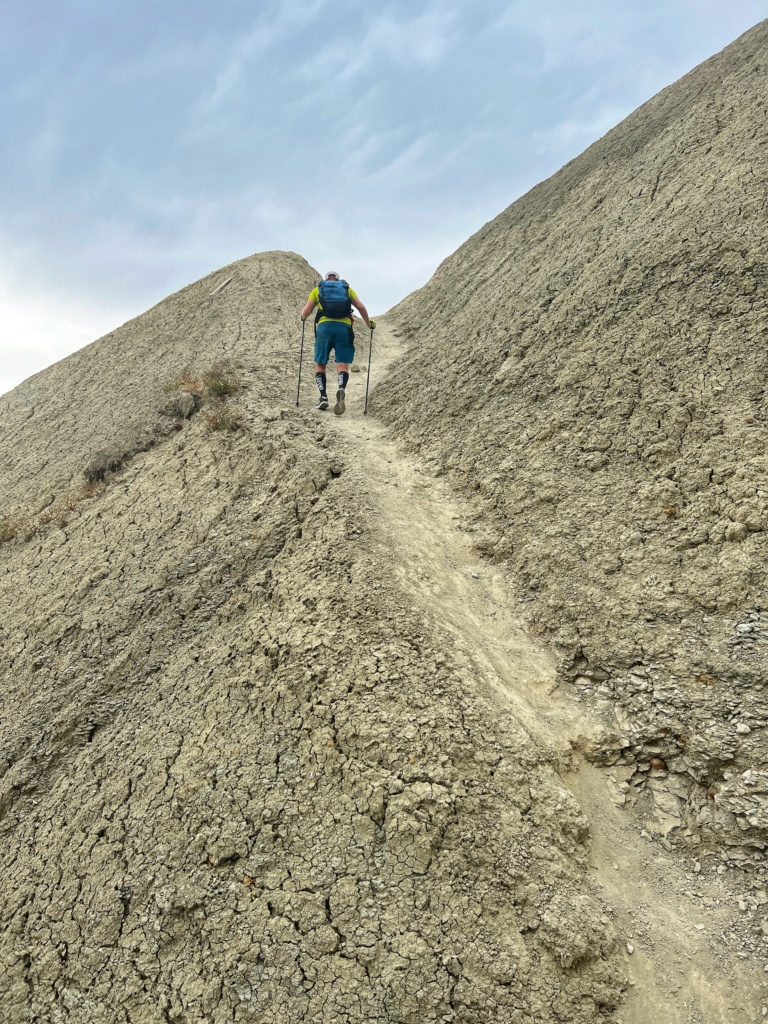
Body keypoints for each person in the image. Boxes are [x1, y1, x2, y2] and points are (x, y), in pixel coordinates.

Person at [301, 271, 374, 415]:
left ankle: (323, 396)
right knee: (342, 363)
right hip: (344, 329)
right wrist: (368, 323)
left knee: (321, 362)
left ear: (326, 279)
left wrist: (302, 317)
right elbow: (360, 307)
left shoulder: (318, 290)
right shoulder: (347, 289)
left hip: (324, 329)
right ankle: (341, 388)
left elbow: (307, 311)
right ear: (338, 280)